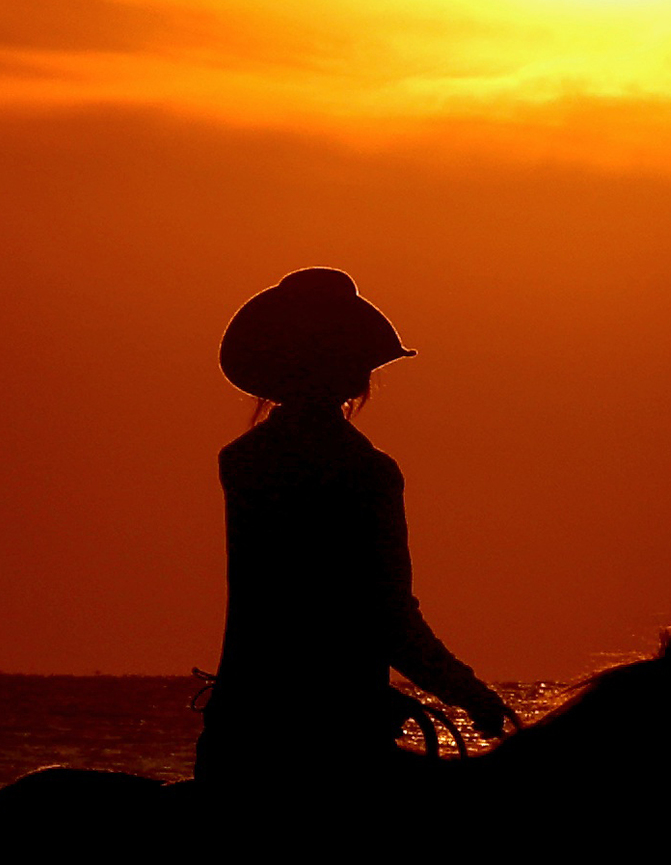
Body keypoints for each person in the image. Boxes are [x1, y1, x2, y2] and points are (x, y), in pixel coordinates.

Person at [195, 268, 508, 792]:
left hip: (239, 731)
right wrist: (473, 696)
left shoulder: (244, 462)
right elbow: (390, 618)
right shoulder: (367, 472)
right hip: (338, 739)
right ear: (353, 371)